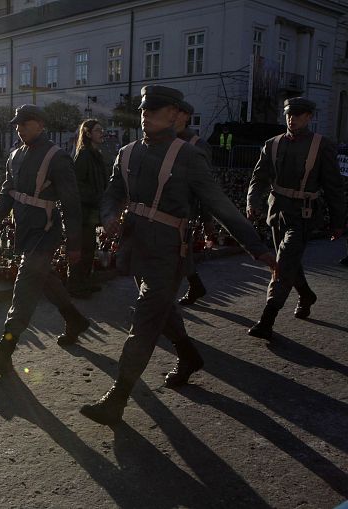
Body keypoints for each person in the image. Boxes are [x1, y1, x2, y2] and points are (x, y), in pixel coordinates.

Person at [79, 86, 277, 425]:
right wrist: (110, 215)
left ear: (174, 114)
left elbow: (220, 204)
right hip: (136, 248)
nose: (146, 117)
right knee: (161, 311)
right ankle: (189, 356)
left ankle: (117, 399)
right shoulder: (126, 152)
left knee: (143, 322)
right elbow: (112, 193)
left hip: (168, 253)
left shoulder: (187, 156)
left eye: (155, 111)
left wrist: (258, 248)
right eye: (144, 110)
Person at [0, 104, 89, 375]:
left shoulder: (57, 157)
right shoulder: (15, 155)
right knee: (45, 278)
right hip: (25, 230)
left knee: (24, 288)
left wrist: (75, 244)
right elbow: (7, 193)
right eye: (17, 124)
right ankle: (75, 320)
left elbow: (72, 205)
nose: (19, 128)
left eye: (24, 123)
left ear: (40, 124)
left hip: (45, 232)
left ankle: (4, 352)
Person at [246, 97, 345, 340]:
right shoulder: (273, 144)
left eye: (299, 115)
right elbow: (259, 177)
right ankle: (306, 294)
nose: (292, 118)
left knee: (285, 260)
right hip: (277, 210)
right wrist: (252, 201)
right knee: (288, 260)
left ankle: (268, 317)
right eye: (289, 114)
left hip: (303, 214)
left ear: (309, 117)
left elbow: (333, 186)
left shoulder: (322, 146)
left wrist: (338, 221)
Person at [175, 100, 214, 306]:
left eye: (177, 112)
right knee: (180, 253)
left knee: (181, 252)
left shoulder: (198, 146)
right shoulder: (164, 139)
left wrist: (207, 219)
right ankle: (196, 285)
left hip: (185, 210)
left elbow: (206, 187)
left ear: (186, 117)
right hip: (161, 208)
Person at [67, 118, 107, 298]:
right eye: (98, 130)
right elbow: (77, 185)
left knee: (90, 247)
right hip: (83, 211)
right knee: (81, 249)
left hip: (91, 211)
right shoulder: (83, 155)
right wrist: (97, 197)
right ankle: (76, 286)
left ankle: (85, 281)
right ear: (89, 133)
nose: (102, 133)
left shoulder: (95, 154)